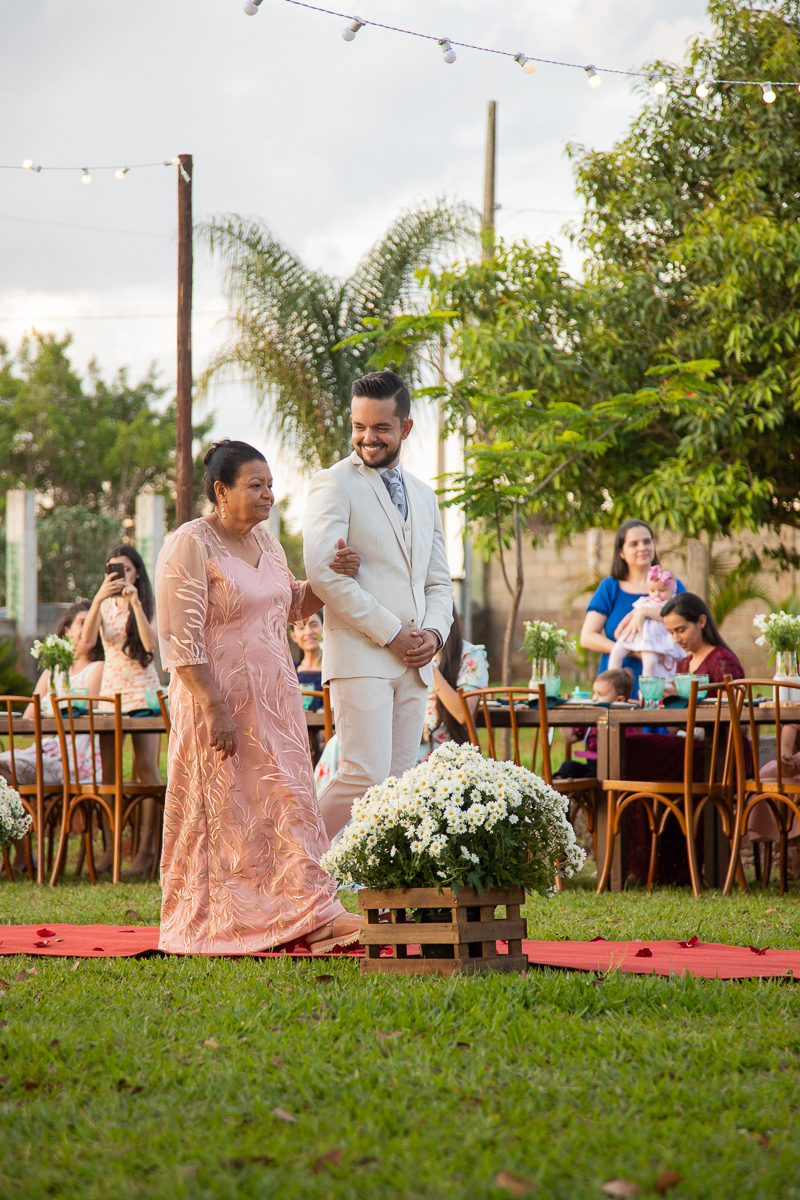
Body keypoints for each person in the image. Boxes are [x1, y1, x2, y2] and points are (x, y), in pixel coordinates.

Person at [155, 439, 364, 955]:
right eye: (256, 485)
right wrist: (213, 706)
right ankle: (222, 919)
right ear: (221, 491)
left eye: (271, 485)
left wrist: (330, 575)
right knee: (229, 814)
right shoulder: (191, 543)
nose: (268, 494)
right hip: (218, 705)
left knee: (289, 802)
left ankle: (309, 910)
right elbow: (180, 639)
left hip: (276, 704)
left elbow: (290, 604)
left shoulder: (268, 543)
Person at [302, 370, 453, 839]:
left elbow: (439, 583)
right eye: (358, 426)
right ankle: (290, 871)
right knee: (361, 774)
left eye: (381, 428)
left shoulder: (426, 497)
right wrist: (393, 633)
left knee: (399, 787)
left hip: (415, 663)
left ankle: (381, 899)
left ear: (405, 428)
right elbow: (325, 573)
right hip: (362, 656)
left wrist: (432, 635)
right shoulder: (333, 484)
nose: (368, 438)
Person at [314, 604, 487, 789]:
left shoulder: (469, 655)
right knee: (340, 745)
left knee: (388, 759)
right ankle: (327, 813)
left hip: (442, 747)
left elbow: (462, 713)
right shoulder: (400, 651)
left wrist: (429, 669)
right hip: (394, 732)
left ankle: (371, 812)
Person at [1, 602, 103, 874]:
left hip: (76, 757)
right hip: (46, 749)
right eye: (83, 622)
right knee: (1, 770)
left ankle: (25, 857)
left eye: (95, 622)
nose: (90, 628)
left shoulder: (98, 669)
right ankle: (24, 852)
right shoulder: (51, 670)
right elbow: (28, 718)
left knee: (3, 769)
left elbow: (87, 714)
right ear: (67, 630)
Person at [82, 544, 162, 876]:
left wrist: (135, 603)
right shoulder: (101, 604)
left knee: (146, 773)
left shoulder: (148, 602)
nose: (120, 574)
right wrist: (99, 599)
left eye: (126, 568)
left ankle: (145, 856)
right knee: (110, 776)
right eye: (113, 568)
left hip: (143, 695)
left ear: (137, 571)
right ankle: (112, 852)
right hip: (110, 696)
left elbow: (149, 644)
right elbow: (85, 643)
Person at [580, 520, 686, 693]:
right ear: (621, 552)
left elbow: (685, 620)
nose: (642, 548)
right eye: (634, 544)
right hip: (618, 680)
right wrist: (632, 650)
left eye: (647, 541)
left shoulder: (672, 585)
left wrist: (644, 611)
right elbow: (587, 637)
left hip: (662, 678)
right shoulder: (610, 587)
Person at [553, 667, 634, 780]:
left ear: (619, 700)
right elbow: (570, 737)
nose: (594, 698)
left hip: (614, 770)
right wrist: (560, 715)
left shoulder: (627, 723)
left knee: (590, 777)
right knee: (569, 765)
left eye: (600, 694)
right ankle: (559, 787)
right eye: (594, 693)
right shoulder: (593, 719)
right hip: (592, 766)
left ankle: (583, 794)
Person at [608, 567, 686, 680]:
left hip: (654, 641)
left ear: (672, 590)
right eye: (652, 591)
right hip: (637, 636)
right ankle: (612, 679)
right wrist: (620, 627)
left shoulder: (672, 604)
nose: (656, 594)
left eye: (662, 590)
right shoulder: (645, 601)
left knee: (650, 663)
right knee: (616, 652)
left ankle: (647, 690)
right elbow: (631, 614)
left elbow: (669, 616)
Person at [661, 593, 745, 683]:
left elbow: (732, 697)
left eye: (681, 630)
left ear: (701, 621)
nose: (676, 639)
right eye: (671, 632)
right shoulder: (683, 665)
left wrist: (683, 696)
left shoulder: (722, 661)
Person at [291, 609, 324, 712]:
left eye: (314, 625)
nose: (308, 632)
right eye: (301, 628)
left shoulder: (335, 670)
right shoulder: (289, 672)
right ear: (294, 636)